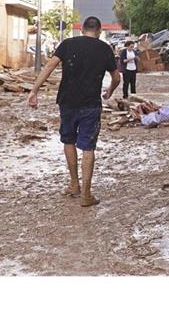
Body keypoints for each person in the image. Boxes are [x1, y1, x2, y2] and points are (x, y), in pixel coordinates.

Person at [27, 16, 120, 207]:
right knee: (88, 147)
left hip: (67, 102)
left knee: (68, 141)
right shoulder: (104, 49)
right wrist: (110, 90)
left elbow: (50, 66)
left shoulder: (68, 44)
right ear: (99, 31)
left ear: (82, 29)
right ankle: (86, 194)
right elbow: (116, 76)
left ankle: (74, 184)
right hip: (90, 105)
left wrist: (34, 91)